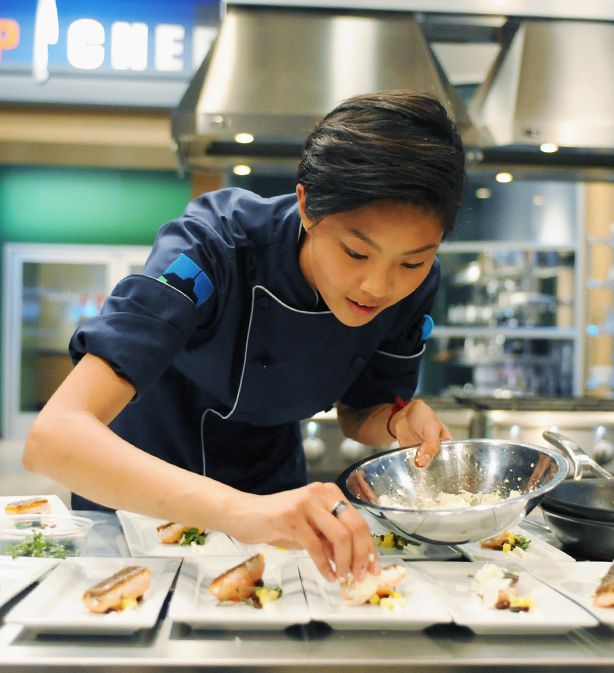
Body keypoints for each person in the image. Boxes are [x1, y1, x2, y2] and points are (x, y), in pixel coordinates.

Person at [23, 90, 466, 582]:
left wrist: (396, 422)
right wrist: (245, 513)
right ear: (306, 206)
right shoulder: (212, 247)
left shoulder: (417, 287)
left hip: (273, 492)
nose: (379, 286)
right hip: (140, 497)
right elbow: (54, 438)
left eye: (412, 261)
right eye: (356, 254)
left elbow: (361, 411)